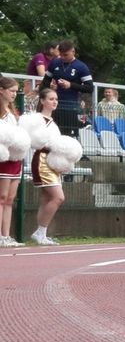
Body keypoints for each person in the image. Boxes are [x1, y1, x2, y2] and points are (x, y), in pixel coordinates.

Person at [27, 88, 64, 245]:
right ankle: (40, 231)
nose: (54, 101)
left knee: (47, 198)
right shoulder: (38, 120)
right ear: (42, 101)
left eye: (56, 99)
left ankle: (41, 233)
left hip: (51, 160)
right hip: (42, 159)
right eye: (50, 99)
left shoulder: (52, 121)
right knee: (58, 197)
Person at [42, 40, 94, 137]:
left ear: (73, 51)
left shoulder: (81, 67)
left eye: (65, 55)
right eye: (60, 55)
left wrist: (71, 85)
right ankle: (43, 153)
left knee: (65, 137)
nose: (62, 57)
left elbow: (90, 88)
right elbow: (45, 81)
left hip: (70, 107)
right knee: (48, 135)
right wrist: (47, 91)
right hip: (52, 106)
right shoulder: (54, 63)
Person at [0, 77, 25, 247]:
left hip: (15, 158)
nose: (14, 94)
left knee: (10, 199)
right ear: (1, 90)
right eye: (12, 90)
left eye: (16, 91)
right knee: (1, 197)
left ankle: (6, 236)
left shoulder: (13, 111)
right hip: (3, 157)